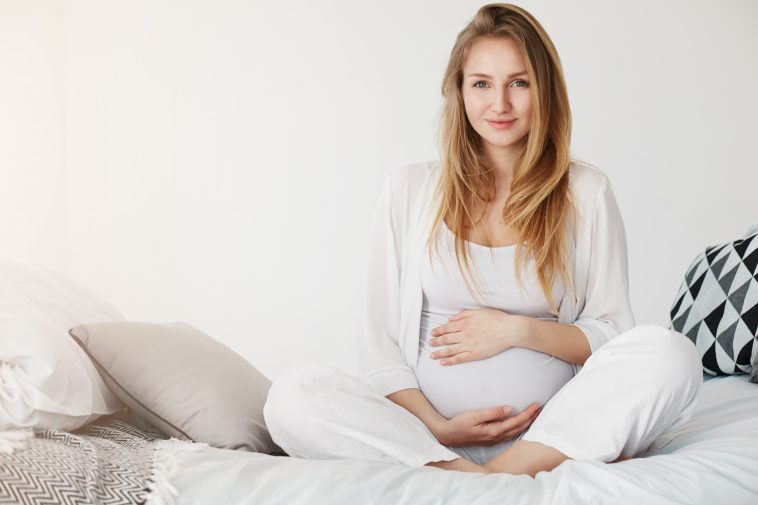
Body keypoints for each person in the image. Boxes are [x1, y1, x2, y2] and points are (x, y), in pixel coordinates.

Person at [263, 3, 702, 477]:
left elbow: (612, 335)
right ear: (459, 91)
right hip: (428, 438)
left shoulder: (585, 192)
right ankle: (464, 474)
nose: (500, 104)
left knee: (670, 354)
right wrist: (438, 427)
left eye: (519, 82)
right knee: (292, 395)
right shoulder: (408, 189)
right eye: (481, 84)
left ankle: (496, 477)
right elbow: (379, 345)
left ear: (545, 90)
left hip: (551, 435)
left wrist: (516, 330)